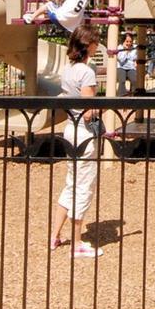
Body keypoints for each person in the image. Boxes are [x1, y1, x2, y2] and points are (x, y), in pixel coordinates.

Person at [49, 25, 105, 259]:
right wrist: (102, 108)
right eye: (95, 42)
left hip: (70, 128)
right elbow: (89, 111)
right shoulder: (86, 72)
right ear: (88, 45)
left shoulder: (68, 69)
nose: (97, 46)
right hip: (84, 132)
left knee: (71, 183)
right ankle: (77, 242)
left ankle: (55, 235)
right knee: (83, 187)